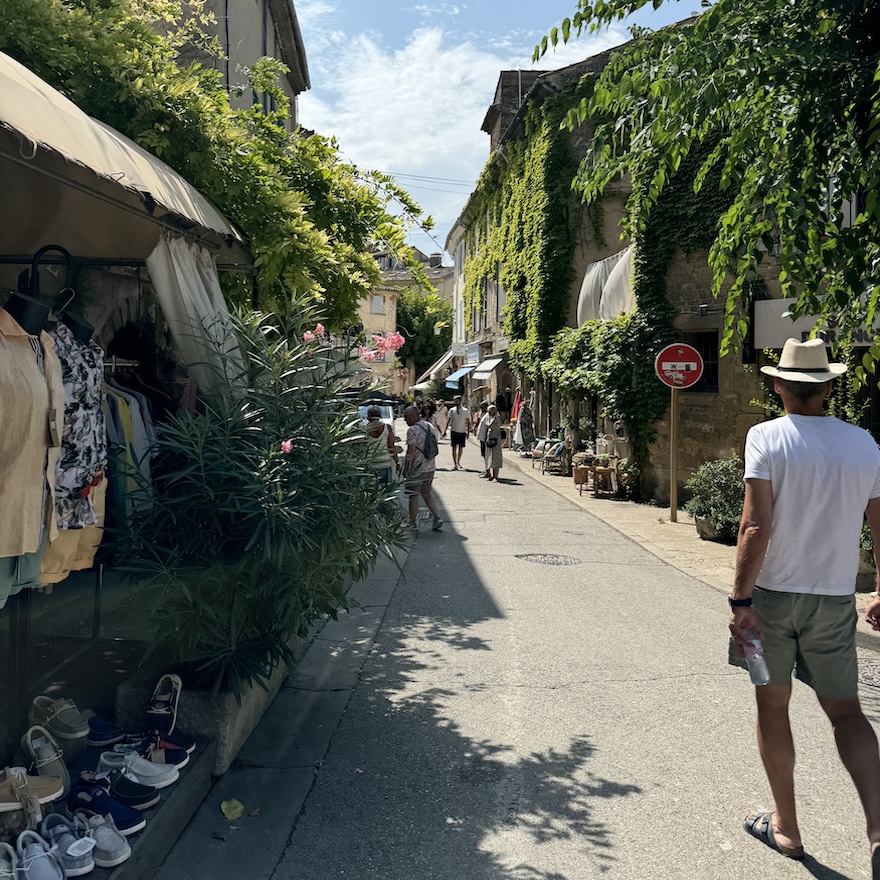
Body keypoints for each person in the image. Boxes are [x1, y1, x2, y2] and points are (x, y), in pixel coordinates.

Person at [728, 338, 880, 875]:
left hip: (767, 600)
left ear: (777, 385)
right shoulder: (865, 444)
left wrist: (741, 599)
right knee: (847, 714)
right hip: (834, 601)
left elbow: (755, 525)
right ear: (829, 387)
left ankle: (787, 828)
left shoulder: (765, 436)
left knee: (772, 705)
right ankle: (879, 831)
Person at [403, 405, 442, 532]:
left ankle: (412, 523)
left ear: (413, 416)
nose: (405, 420)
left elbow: (411, 451)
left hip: (417, 468)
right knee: (426, 493)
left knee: (413, 495)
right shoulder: (429, 426)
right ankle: (437, 517)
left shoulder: (412, 430)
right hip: (430, 466)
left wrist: (406, 468)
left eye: (406, 417)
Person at [364, 405, 397, 485]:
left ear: (368, 416)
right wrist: (397, 462)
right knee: (385, 489)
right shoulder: (387, 428)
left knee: (371, 490)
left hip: (370, 465)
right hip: (385, 464)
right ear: (380, 415)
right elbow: (391, 447)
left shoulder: (364, 430)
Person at [447, 395, 470, 470]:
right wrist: (445, 429)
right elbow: (449, 420)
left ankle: (458, 461)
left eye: (457, 401)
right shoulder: (452, 410)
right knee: (453, 448)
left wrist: (468, 432)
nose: (455, 402)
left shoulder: (465, 411)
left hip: (462, 431)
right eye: (454, 401)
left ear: (460, 401)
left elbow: (468, 421)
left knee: (460, 448)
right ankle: (455, 464)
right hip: (454, 430)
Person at [483, 404, 504, 481]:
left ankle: (496, 476)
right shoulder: (490, 417)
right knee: (490, 456)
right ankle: (492, 475)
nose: (488, 413)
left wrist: (487, 421)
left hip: (496, 439)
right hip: (490, 438)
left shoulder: (496, 417)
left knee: (496, 457)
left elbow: (489, 425)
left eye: (489, 411)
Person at [475, 402, 490, 477]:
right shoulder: (482, 414)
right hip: (482, 438)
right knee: (484, 454)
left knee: (486, 455)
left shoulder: (488, 415)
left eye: (483, 407)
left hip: (485, 438)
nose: (482, 408)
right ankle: (486, 469)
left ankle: (488, 471)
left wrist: (486, 437)